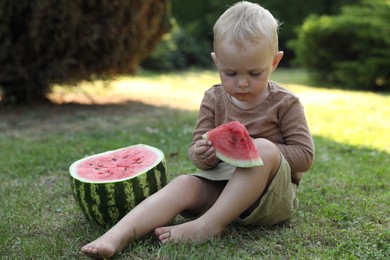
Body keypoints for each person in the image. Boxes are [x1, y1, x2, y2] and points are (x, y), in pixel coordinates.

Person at [81, 1, 315, 258]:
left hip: (270, 199)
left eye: (255, 73)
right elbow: (196, 149)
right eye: (230, 72)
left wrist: (256, 148)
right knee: (183, 183)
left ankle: (209, 225)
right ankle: (116, 235)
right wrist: (202, 155)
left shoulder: (285, 102)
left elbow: (305, 156)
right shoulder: (213, 99)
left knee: (263, 149)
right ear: (216, 62)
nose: (242, 83)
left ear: (275, 62)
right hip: (223, 190)